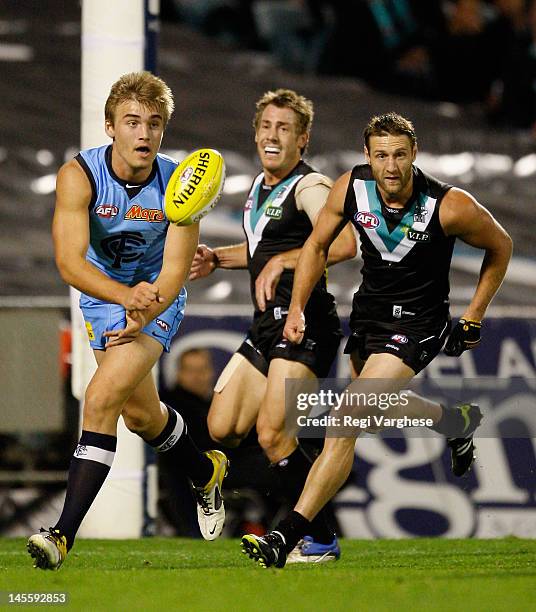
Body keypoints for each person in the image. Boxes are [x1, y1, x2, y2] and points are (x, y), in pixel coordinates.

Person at [241, 111, 513, 568]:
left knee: (345, 418)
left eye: (400, 155)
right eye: (381, 155)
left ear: (415, 155)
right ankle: (453, 422)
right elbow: (316, 246)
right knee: (370, 412)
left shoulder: (449, 205)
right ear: (367, 155)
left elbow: (501, 245)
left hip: (420, 324)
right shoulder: (350, 187)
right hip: (368, 319)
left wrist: (474, 314)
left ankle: (287, 538)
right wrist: (298, 308)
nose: (391, 166)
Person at [27, 71, 228, 570]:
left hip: (158, 299)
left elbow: (176, 270)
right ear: (110, 127)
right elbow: (71, 263)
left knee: (100, 398)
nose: (144, 133)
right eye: (132, 122)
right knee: (141, 416)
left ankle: (61, 535)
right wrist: (122, 297)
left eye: (154, 124)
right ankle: (205, 471)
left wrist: (145, 310)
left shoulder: (181, 183)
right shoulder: (80, 175)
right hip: (102, 295)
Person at [189, 88, 356, 562]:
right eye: (266, 126)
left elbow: (344, 244)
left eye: (284, 128)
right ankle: (284, 505)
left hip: (305, 324)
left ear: (302, 140)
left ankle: (319, 537)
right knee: (221, 427)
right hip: (266, 326)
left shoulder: (310, 186)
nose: (272, 135)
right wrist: (218, 259)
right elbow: (261, 253)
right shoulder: (259, 188)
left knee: (273, 435)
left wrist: (283, 262)